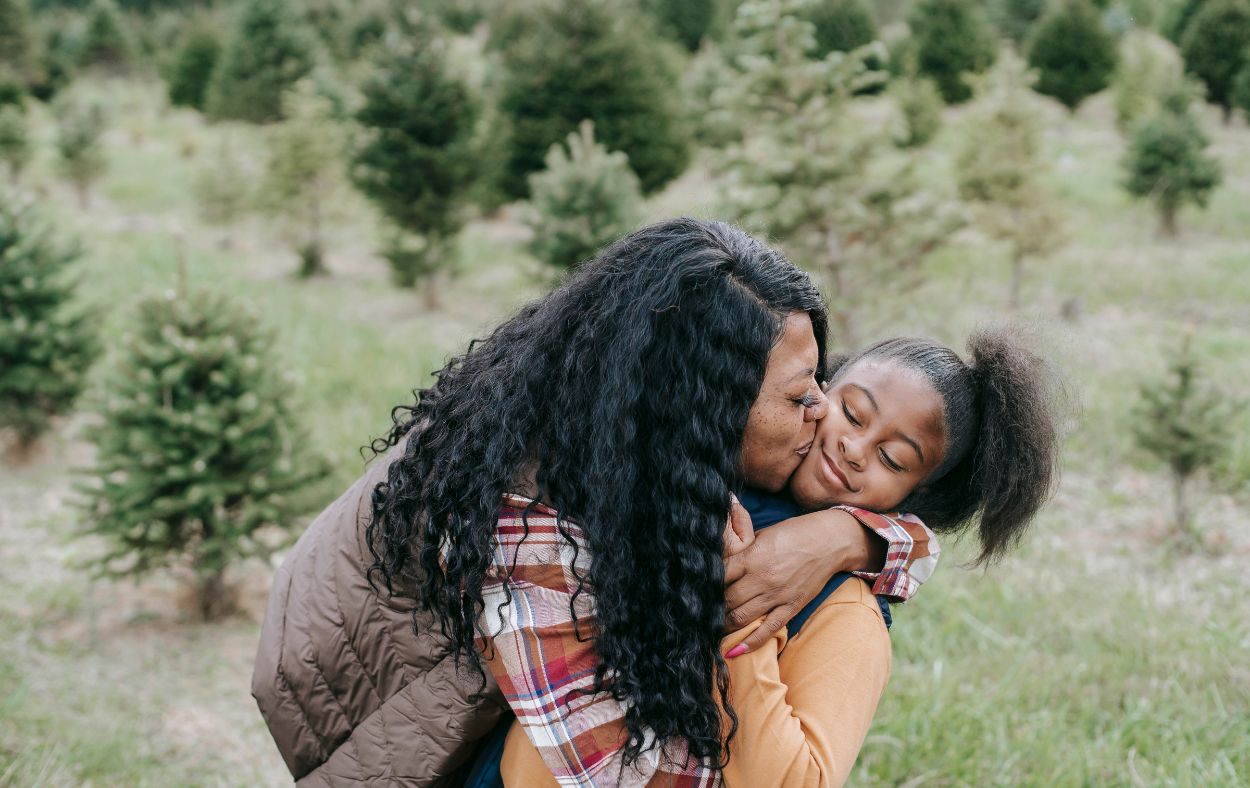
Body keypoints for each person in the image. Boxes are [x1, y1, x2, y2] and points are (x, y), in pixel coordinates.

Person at [251, 219, 925, 785]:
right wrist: (746, 631)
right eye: (800, 394)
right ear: (703, 408)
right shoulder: (528, 522)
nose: (822, 415)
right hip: (396, 745)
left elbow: (916, 535)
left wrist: (852, 538)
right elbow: (626, 775)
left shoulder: (634, 436)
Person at [495, 328, 1061, 786]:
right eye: (853, 414)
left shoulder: (847, 617)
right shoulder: (726, 459)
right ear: (818, 388)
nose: (854, 448)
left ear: (916, 494)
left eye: (891, 458)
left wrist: (742, 630)